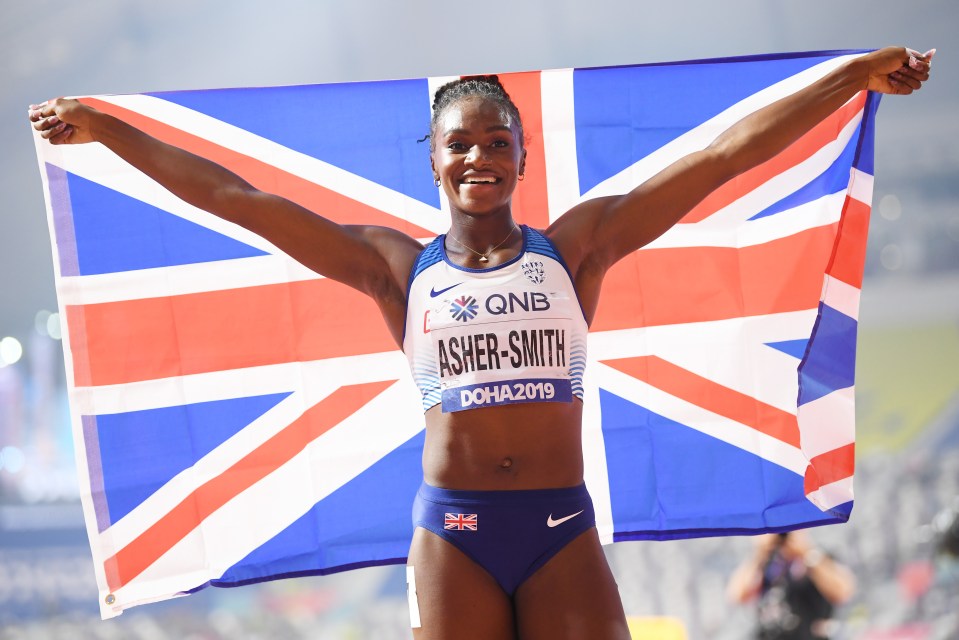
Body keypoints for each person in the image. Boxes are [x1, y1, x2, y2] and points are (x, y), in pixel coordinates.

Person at [31, 47, 931, 639]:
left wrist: (847, 79)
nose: (477, 160)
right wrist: (108, 132)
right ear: (434, 159)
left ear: (520, 157)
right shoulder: (395, 266)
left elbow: (722, 158)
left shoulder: (575, 248)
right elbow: (236, 201)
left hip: (560, 526)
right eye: (459, 145)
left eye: (495, 143)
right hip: (453, 532)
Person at [726, 531, 857, 640]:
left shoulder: (818, 558)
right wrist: (760, 553)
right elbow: (737, 595)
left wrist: (807, 553)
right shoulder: (767, 563)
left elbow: (843, 591)